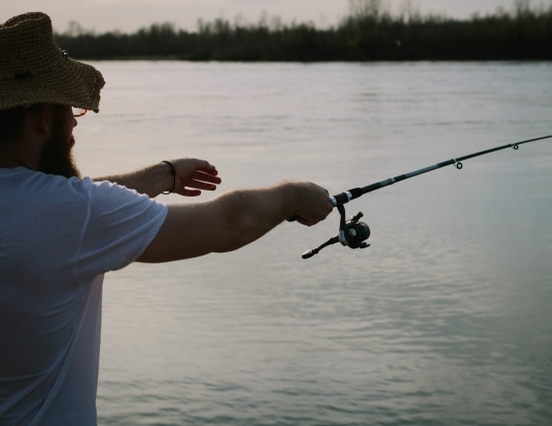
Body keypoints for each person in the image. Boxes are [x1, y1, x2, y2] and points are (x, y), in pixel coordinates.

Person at [0, 12, 333, 425]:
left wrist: (162, 175)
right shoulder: (74, 214)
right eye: (73, 111)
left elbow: (56, 206)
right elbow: (228, 224)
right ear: (44, 117)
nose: (74, 128)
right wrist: (295, 196)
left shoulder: (60, 212)